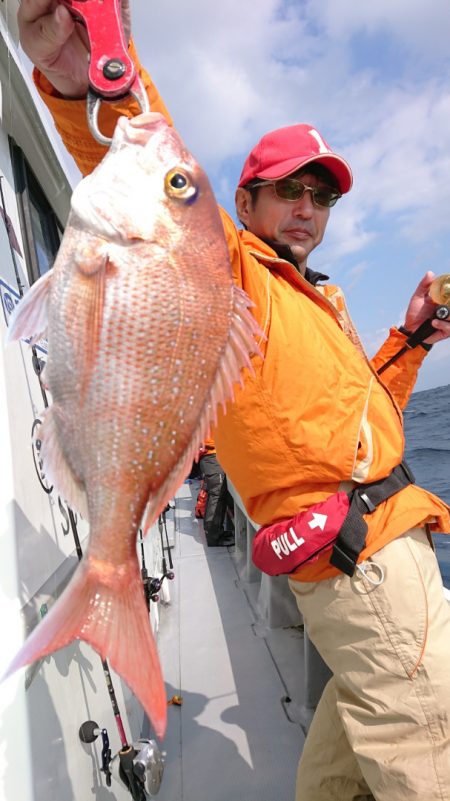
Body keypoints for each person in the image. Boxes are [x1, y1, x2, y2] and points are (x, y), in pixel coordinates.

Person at [17, 3, 450, 799]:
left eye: (322, 197)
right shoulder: (225, 267)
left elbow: (367, 423)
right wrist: (89, 77)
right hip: (373, 574)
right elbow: (148, 168)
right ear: (243, 206)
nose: (309, 210)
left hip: (363, 567)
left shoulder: (321, 300)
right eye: (289, 190)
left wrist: (414, 340)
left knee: (338, 777)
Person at [197, 438, 234, 547]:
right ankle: (214, 538)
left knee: (217, 496)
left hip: (213, 456)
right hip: (212, 457)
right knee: (216, 497)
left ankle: (217, 532)